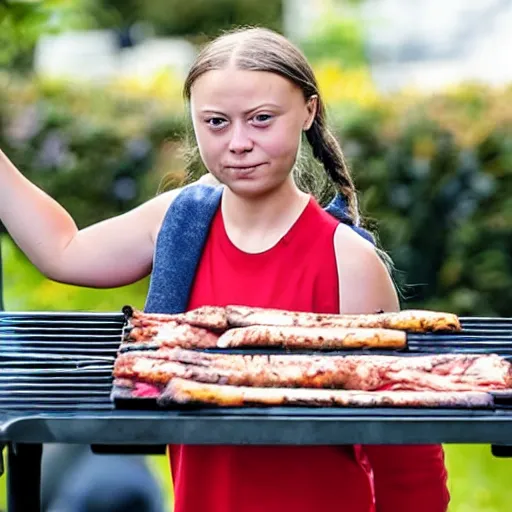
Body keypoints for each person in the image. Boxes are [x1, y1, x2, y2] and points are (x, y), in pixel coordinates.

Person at [0, 27, 449, 512]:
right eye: (215, 122)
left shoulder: (348, 262)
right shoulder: (178, 223)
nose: (238, 143)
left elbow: (406, 453)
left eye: (261, 120)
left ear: (308, 112)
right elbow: (62, 251)